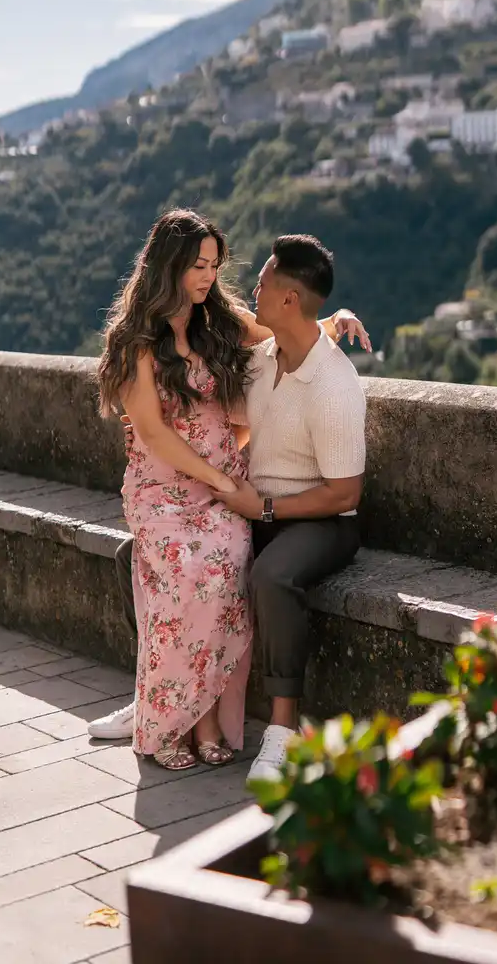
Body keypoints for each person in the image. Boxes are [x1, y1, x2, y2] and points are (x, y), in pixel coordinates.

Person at [90, 224, 369, 781]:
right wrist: (222, 479)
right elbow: (163, 428)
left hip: (270, 501)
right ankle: (162, 698)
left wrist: (336, 318)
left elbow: (290, 324)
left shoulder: (235, 329)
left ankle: (244, 723)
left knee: (238, 567)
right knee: (140, 558)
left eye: (215, 266)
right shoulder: (164, 342)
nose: (213, 278)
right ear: (168, 265)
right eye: (200, 266)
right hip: (201, 488)